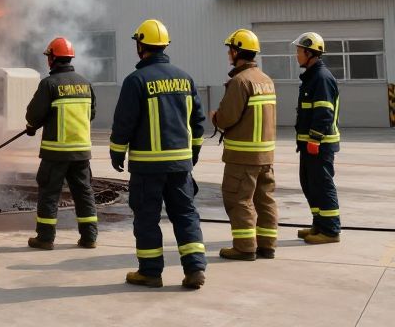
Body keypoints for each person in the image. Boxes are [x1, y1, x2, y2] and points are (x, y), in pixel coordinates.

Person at [109, 19, 207, 290]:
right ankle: (195, 268)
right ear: (164, 46)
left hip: (147, 168)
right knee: (186, 215)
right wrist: (193, 153)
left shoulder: (136, 80)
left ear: (141, 45)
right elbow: (197, 122)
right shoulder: (185, 78)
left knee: (147, 218)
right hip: (180, 165)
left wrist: (117, 152)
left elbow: (124, 122)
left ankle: (150, 273)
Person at [24, 36, 98, 250]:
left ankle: (45, 239)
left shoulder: (49, 84)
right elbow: (90, 114)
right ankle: (89, 238)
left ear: (53, 59)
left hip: (55, 153)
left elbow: (34, 115)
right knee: (84, 194)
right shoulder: (85, 83)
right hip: (81, 153)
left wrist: (33, 126)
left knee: (49, 194)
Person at [210, 29, 278, 261]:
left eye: (231, 48)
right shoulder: (266, 80)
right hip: (265, 156)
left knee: (238, 199)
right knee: (265, 200)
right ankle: (267, 245)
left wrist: (215, 118)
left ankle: (244, 247)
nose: (229, 53)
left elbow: (227, 117)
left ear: (237, 51)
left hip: (242, 156)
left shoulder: (240, 82)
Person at [293, 32, 341, 244]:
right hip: (309, 143)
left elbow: (324, 113)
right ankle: (319, 223)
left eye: (299, 51)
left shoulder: (321, 78)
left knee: (322, 185)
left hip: (319, 144)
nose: (296, 55)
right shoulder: (312, 76)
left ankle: (330, 231)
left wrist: (315, 139)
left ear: (309, 52)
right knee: (309, 183)